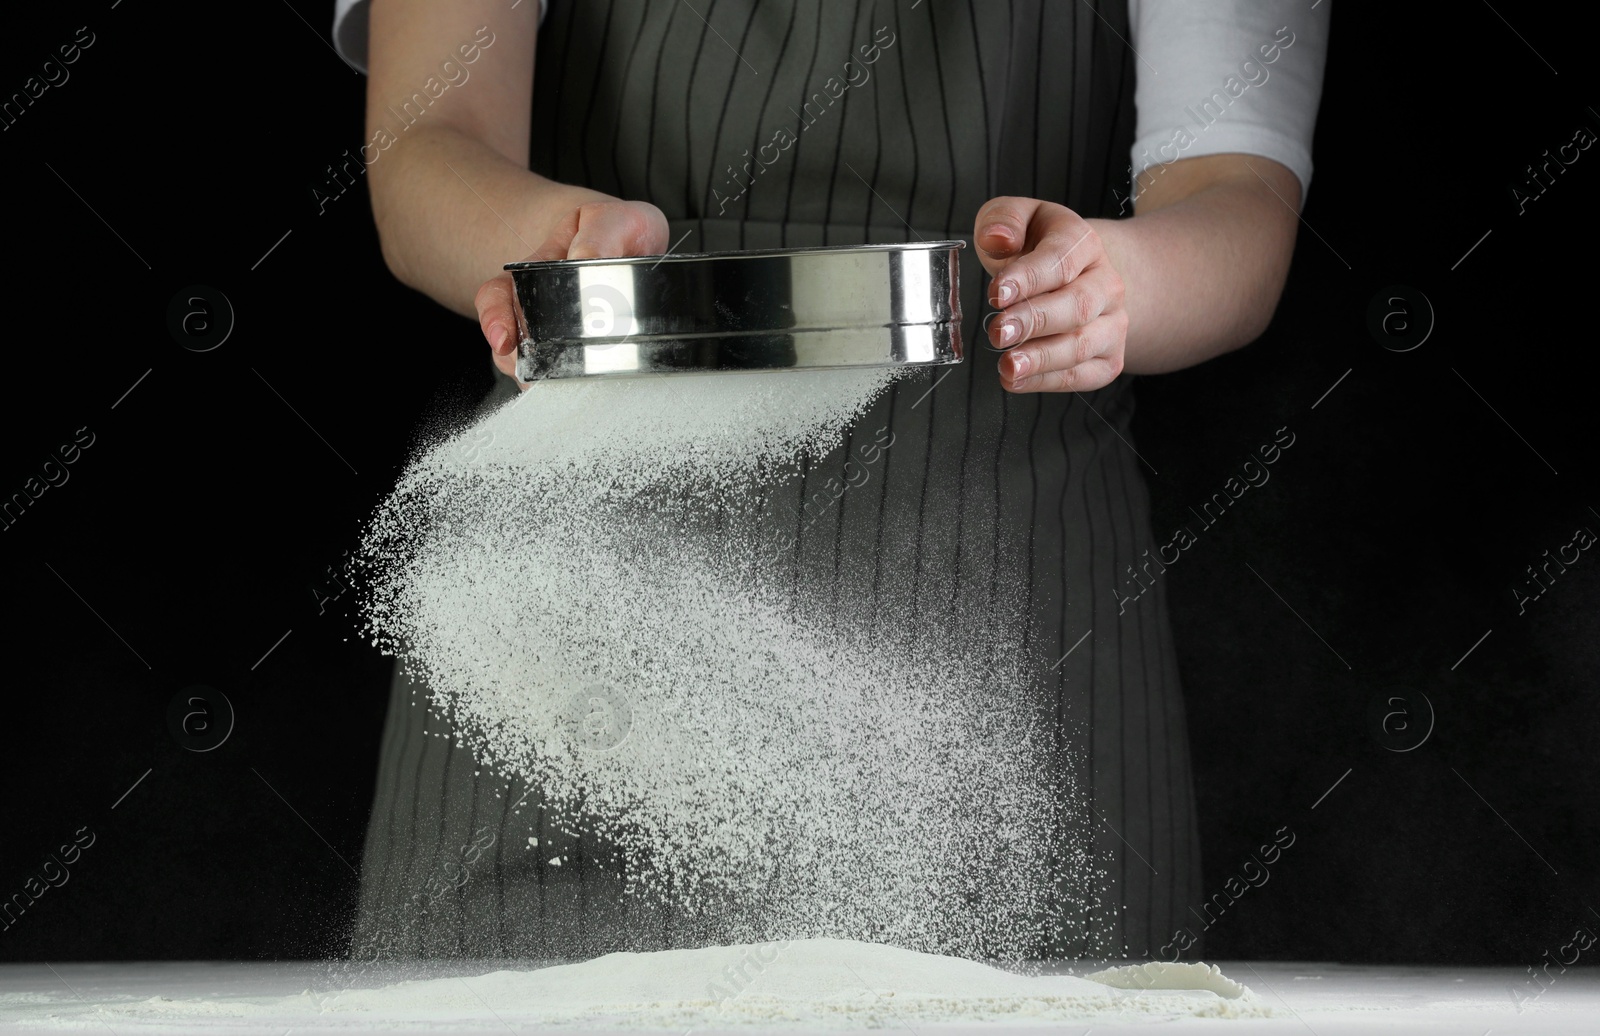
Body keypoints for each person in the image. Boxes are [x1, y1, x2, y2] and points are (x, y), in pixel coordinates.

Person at [332, 0, 1327, 962]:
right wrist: (563, 244)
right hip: (561, 628)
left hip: (1006, 603)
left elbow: (1234, 196)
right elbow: (429, 141)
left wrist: (1110, 285)